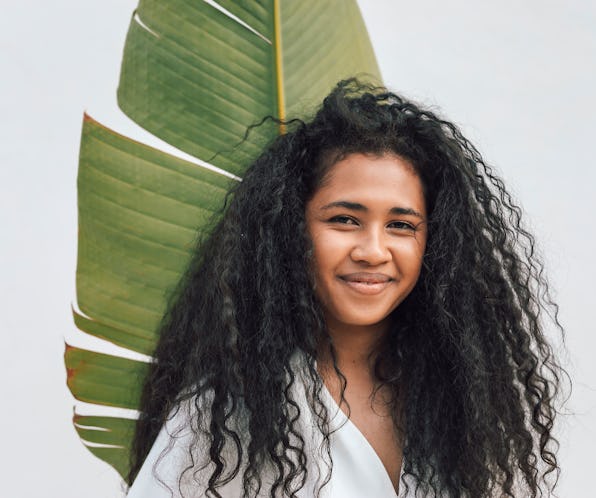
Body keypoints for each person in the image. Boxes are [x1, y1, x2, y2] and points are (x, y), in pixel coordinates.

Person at [125, 79, 566, 498]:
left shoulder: (465, 398)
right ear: (290, 230)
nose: (373, 251)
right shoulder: (223, 414)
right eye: (344, 220)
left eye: (401, 225)